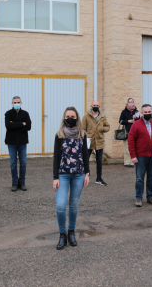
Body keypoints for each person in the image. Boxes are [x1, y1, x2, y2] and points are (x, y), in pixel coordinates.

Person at [53, 107, 90, 250]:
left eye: (72, 116)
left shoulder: (82, 134)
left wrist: (87, 173)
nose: (70, 118)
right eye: (67, 116)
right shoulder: (59, 134)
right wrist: (55, 177)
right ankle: (62, 234)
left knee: (73, 205)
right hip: (63, 174)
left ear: (77, 117)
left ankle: (71, 233)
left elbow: (85, 154)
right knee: (61, 206)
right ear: (64, 118)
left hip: (79, 174)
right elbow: (56, 156)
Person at [128, 104, 152, 207]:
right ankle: (139, 198)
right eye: (145, 112)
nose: (147, 114)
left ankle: (151, 196)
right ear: (142, 113)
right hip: (140, 156)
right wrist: (133, 155)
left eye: (149, 112)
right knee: (139, 178)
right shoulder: (136, 125)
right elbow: (131, 141)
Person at [4, 96, 32, 192]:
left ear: (21, 102)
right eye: (15, 102)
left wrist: (14, 124)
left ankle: (22, 182)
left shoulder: (25, 114)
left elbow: (28, 126)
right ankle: (15, 183)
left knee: (23, 163)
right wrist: (21, 124)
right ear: (12, 103)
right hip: (11, 142)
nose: (17, 104)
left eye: (18, 102)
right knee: (13, 164)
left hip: (22, 142)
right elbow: (8, 126)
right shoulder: (8, 114)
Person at [82, 101, 110, 186]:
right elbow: (83, 129)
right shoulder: (86, 116)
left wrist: (102, 128)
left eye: (97, 105)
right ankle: (83, 176)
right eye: (94, 105)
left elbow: (107, 127)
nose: (95, 107)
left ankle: (99, 178)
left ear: (99, 106)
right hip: (89, 141)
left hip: (99, 141)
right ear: (91, 106)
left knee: (99, 161)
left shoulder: (102, 116)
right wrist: (84, 139)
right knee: (85, 159)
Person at [119, 98, 139, 167]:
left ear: (134, 103)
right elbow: (120, 121)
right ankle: (127, 162)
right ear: (127, 103)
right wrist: (128, 121)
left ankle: (132, 161)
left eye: (132, 102)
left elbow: (140, 121)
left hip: (135, 132)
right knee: (126, 148)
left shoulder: (137, 112)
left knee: (134, 147)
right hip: (126, 132)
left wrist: (136, 119)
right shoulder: (124, 112)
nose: (131, 103)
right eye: (129, 102)